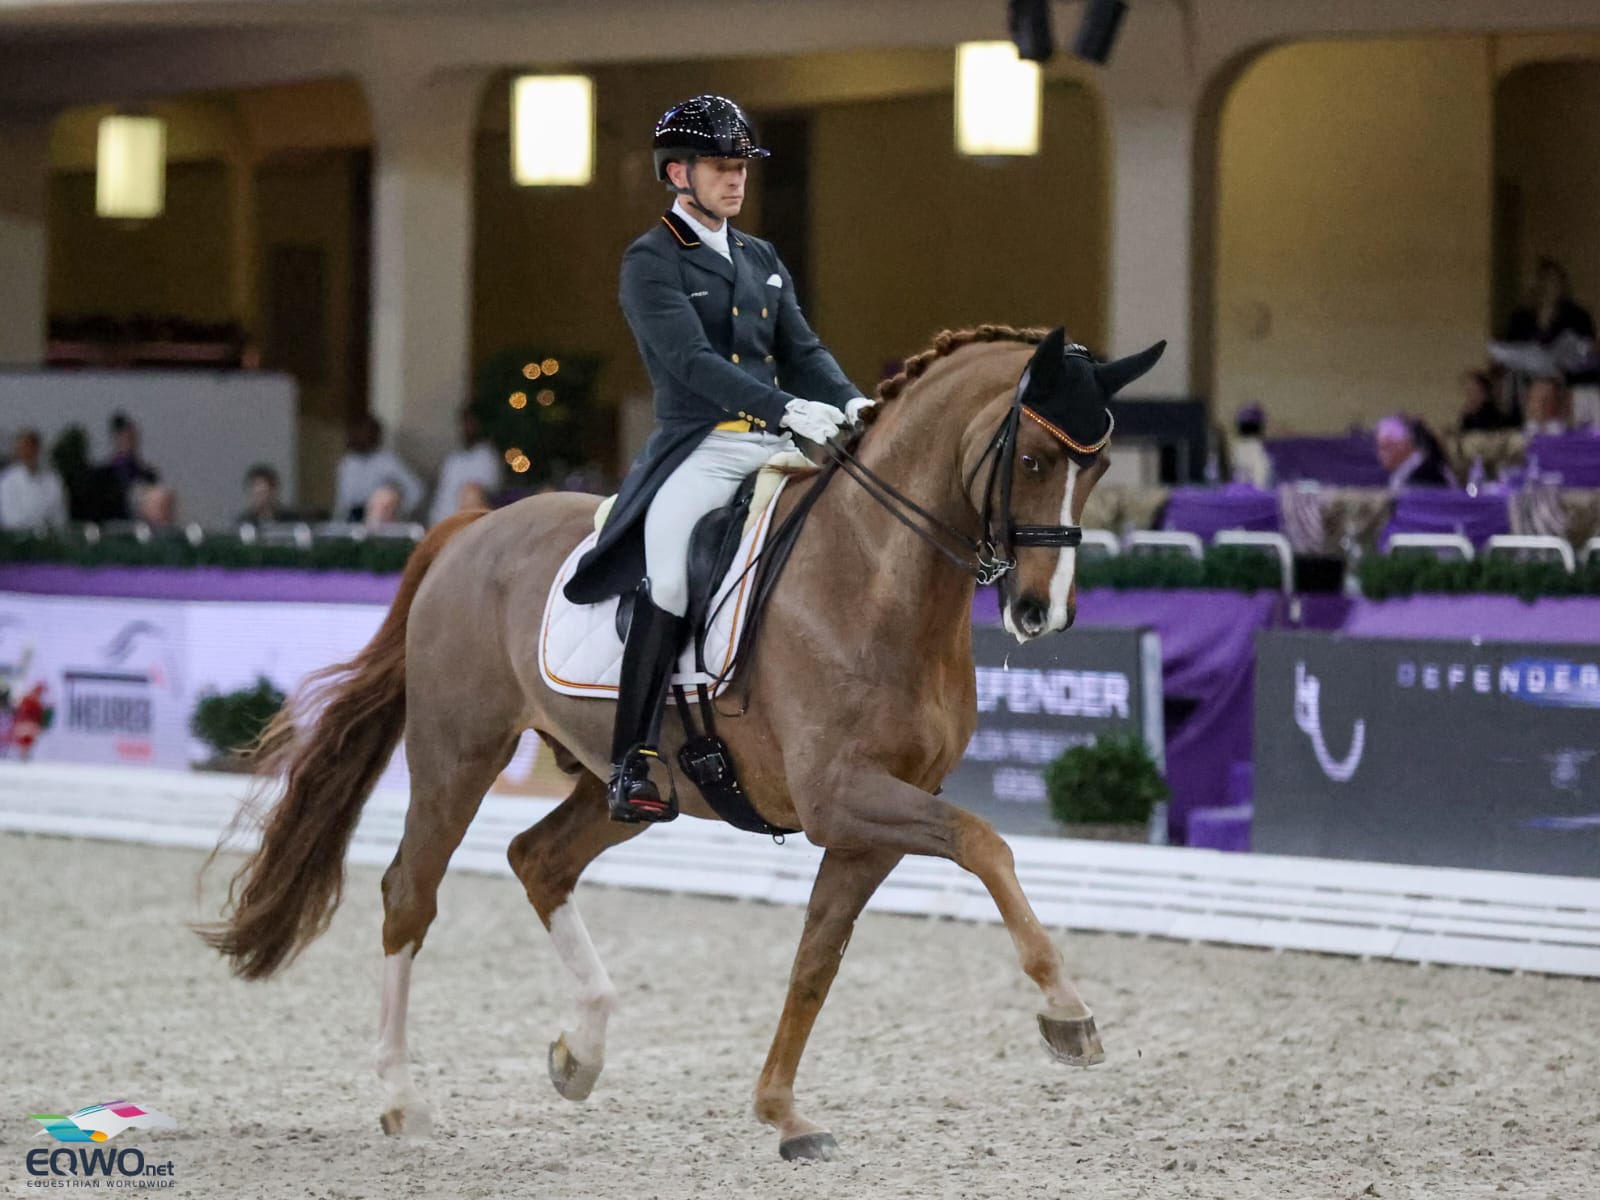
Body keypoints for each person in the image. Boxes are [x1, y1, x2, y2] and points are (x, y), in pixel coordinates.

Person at [561, 94, 874, 824]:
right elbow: (689, 360)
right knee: (668, 575)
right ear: (678, 172)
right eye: (721, 168)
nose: (736, 182)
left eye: (741, 169)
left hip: (774, 444)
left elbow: (803, 351)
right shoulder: (651, 260)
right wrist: (784, 407)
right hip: (699, 449)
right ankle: (632, 756)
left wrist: (851, 402)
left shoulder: (761, 257)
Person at [332, 414, 424, 522]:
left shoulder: (387, 460)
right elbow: (342, 500)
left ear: (376, 436)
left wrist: (399, 512)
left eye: (367, 433)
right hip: (349, 522)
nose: (361, 437)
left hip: (377, 522)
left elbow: (416, 490)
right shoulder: (348, 463)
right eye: (358, 432)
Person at [428, 406, 502, 527]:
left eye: (472, 423)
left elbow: (481, 497)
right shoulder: (453, 459)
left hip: (470, 528)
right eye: (465, 423)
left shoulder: (487, 457)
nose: (467, 428)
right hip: (442, 526)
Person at [0, 430, 68, 533]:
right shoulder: (7, 481)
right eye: (24, 448)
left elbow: (60, 514)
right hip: (18, 541)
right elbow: (10, 520)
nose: (28, 452)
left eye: (32, 448)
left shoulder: (52, 480)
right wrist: (39, 520)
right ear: (18, 452)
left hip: (48, 540)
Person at [100, 412, 160, 518]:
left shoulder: (147, 474)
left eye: (131, 437)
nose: (129, 441)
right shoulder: (105, 475)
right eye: (125, 437)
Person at [1376, 416, 1454, 490]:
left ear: (1405, 444)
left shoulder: (1428, 473)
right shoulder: (1405, 471)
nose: (1381, 454)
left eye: (1386, 447)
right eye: (1379, 448)